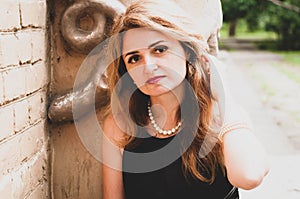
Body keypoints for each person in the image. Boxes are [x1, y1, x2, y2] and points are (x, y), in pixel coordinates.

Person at [101, 0, 269, 198]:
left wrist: (223, 95)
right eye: (134, 58)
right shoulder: (120, 126)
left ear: (186, 50)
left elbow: (249, 176)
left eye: (159, 50)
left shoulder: (220, 116)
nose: (148, 67)